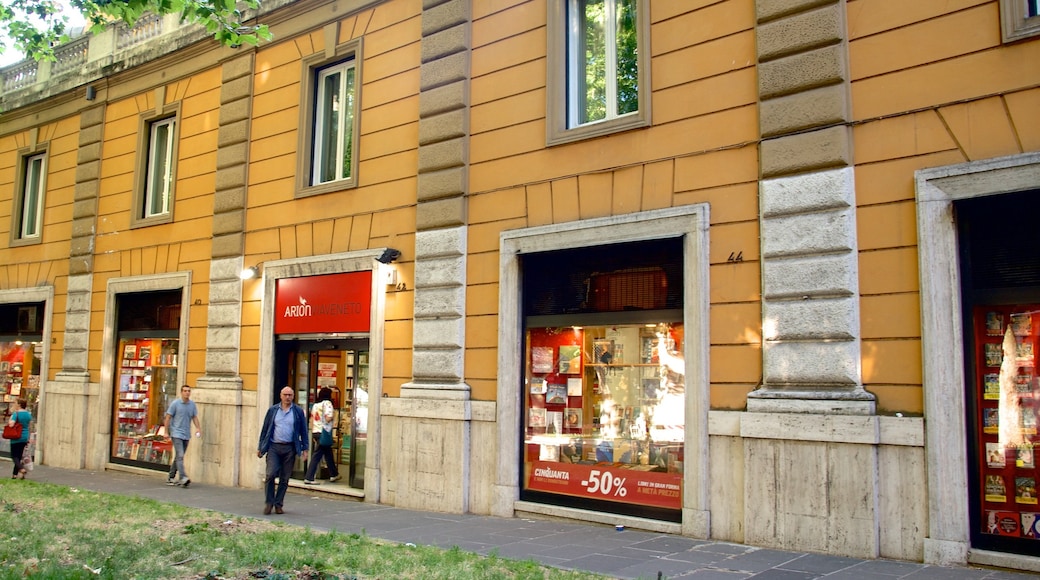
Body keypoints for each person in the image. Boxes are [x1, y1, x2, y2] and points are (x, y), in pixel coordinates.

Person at [257, 386, 309, 515]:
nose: (287, 397)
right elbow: (265, 430)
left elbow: (303, 430)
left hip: (290, 448)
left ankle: (278, 504)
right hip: (274, 447)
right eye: (285, 395)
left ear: (293, 396)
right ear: (280, 396)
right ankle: (269, 502)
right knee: (270, 475)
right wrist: (260, 447)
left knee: (285, 479)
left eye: (290, 395)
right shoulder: (273, 410)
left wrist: (305, 449)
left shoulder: (297, 411)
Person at [164, 384, 202, 487]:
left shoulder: (192, 405)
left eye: (189, 391)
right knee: (180, 455)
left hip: (186, 434)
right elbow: (168, 417)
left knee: (179, 457)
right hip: (176, 433)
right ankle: (183, 477)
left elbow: (194, 417)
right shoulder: (175, 404)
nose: (187, 393)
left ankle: (171, 477)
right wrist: (166, 432)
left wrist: (198, 428)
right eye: (185, 391)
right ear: (181, 392)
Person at [304, 387, 341, 484]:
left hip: (316, 431)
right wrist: (333, 415)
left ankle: (334, 474)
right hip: (324, 432)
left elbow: (312, 420)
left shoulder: (315, 405)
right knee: (317, 455)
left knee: (328, 453)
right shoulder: (327, 404)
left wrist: (312, 433)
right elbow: (328, 418)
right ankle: (309, 477)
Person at [7, 398, 31, 479]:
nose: (14, 404)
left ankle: (21, 469)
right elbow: (29, 425)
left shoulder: (16, 414)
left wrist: (10, 419)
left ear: (19, 405)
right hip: (24, 436)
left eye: (15, 403)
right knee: (19, 456)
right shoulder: (28, 414)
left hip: (16, 436)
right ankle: (15, 475)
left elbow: (11, 425)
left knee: (14, 456)